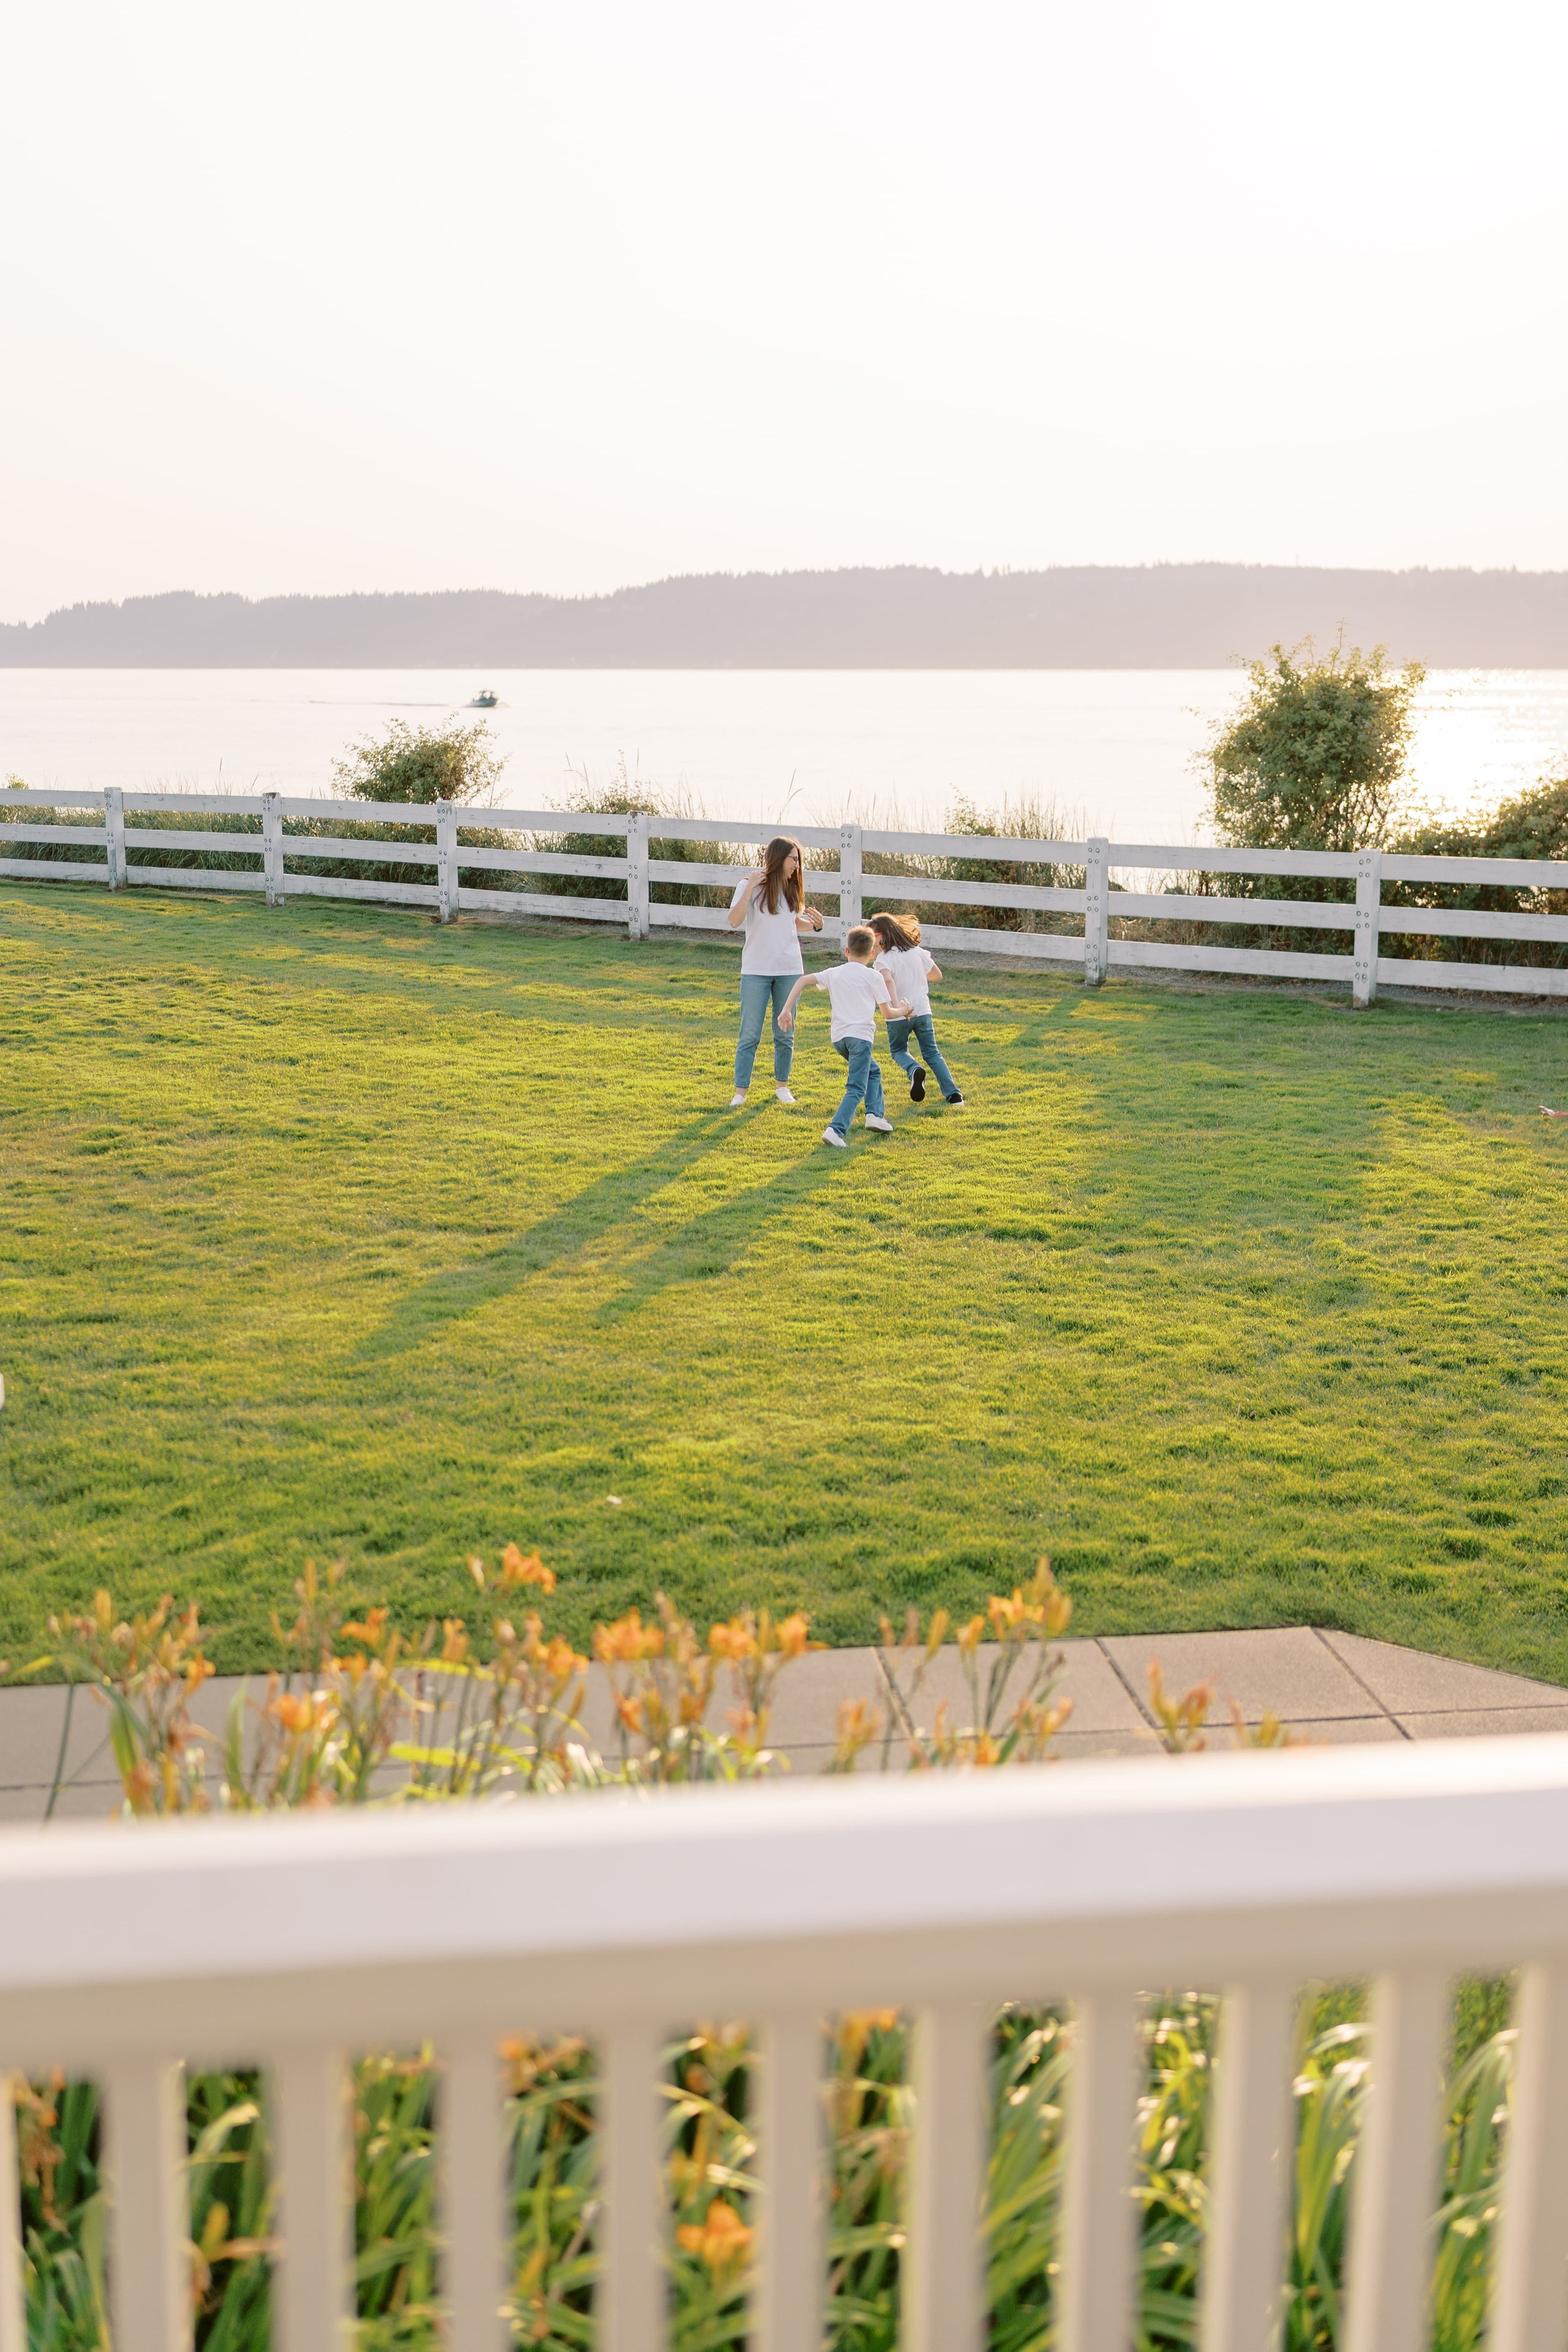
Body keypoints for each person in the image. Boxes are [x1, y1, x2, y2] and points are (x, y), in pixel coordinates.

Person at [777, 925, 911, 1148]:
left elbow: (801, 981)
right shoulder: (874, 977)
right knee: (856, 1087)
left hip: (840, 1040)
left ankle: (875, 1115)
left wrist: (786, 1009)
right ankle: (835, 1130)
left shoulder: (833, 972)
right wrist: (904, 1010)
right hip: (860, 1039)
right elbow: (888, 1013)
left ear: (846, 951)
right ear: (872, 954)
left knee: (873, 1071)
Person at [726, 835, 824, 1108]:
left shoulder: (792, 890)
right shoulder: (749, 886)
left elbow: (791, 924)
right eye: (794, 859)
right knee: (749, 1034)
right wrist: (751, 888)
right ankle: (740, 1093)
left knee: (785, 1032)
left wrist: (815, 925)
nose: (797, 866)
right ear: (779, 858)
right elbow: (735, 921)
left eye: (798, 860)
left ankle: (782, 1086)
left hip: (790, 970)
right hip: (756, 970)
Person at [867, 913, 965, 1106]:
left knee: (898, 1050)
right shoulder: (917, 951)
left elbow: (887, 980)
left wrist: (899, 1008)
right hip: (923, 1011)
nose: (871, 941)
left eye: (872, 936)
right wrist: (916, 975)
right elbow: (937, 975)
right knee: (932, 1053)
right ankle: (954, 1097)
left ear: (882, 935)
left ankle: (914, 1070)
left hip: (899, 1014)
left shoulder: (883, 959)